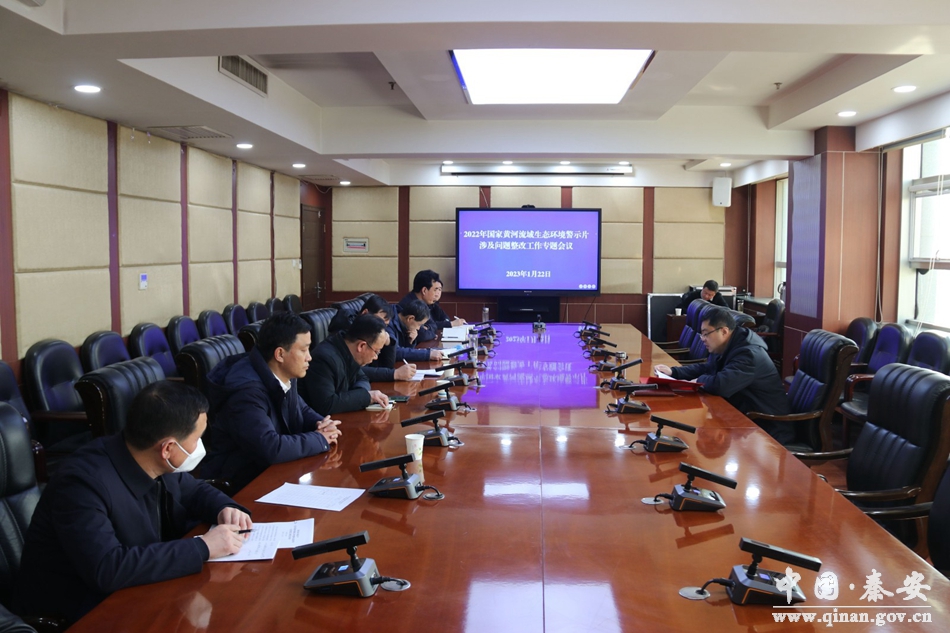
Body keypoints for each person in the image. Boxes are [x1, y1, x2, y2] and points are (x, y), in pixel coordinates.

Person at [15, 381, 252, 624]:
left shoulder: (147, 456)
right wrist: (202, 547)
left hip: (141, 589)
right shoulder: (81, 484)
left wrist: (225, 508)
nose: (200, 447)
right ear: (168, 448)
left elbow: (194, 490)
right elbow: (107, 568)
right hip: (84, 610)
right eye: (197, 438)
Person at [201, 312, 342, 492]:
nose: (309, 357)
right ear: (280, 354)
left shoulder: (282, 372)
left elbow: (301, 409)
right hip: (243, 483)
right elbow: (269, 448)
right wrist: (320, 439)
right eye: (303, 350)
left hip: (276, 471)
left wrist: (322, 423)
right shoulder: (246, 392)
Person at [653, 307, 793, 445]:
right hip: (744, 420)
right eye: (702, 334)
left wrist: (699, 381)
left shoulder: (748, 355)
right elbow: (708, 367)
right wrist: (674, 372)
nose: (702, 339)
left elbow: (722, 385)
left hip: (767, 428)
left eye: (706, 334)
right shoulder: (728, 346)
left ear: (724, 331)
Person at [300, 314, 392, 415]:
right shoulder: (324, 359)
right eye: (376, 351)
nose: (376, 357)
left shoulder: (347, 349)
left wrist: (361, 394)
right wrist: (367, 397)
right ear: (361, 346)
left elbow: (363, 378)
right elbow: (327, 404)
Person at [327, 293, 416, 381]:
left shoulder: (376, 332)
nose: (381, 328)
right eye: (379, 321)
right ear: (365, 313)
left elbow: (386, 365)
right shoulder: (347, 331)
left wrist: (389, 343)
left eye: (385, 325)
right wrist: (394, 374)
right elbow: (354, 371)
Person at [397, 269, 465, 343]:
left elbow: (437, 323)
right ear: (424, 290)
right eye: (435, 290)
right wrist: (432, 331)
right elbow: (423, 335)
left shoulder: (428, 303)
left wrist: (428, 327)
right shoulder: (411, 305)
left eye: (440, 290)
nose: (437, 294)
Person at [389, 298, 444, 362]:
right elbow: (395, 352)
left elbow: (405, 351)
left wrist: (410, 342)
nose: (418, 328)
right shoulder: (388, 323)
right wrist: (427, 354)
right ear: (410, 318)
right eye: (419, 325)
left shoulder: (404, 324)